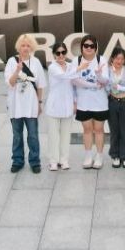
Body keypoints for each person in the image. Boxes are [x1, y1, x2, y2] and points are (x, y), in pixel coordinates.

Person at [6, 34, 45, 173]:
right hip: (15, 105)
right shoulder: (11, 61)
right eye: (23, 45)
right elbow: (10, 83)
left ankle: (35, 161)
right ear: (19, 47)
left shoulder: (36, 62)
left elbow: (40, 85)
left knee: (33, 135)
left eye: (28, 45)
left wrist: (39, 103)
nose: (25, 48)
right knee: (17, 135)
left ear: (32, 47)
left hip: (31, 104)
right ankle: (17, 161)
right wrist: (17, 70)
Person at [72, 34, 109, 169]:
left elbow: (105, 81)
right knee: (87, 129)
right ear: (82, 47)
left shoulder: (101, 60)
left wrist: (98, 74)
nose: (89, 48)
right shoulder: (76, 61)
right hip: (83, 103)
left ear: (96, 48)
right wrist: (93, 84)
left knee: (99, 130)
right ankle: (88, 156)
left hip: (100, 103)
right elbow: (74, 80)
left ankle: (99, 156)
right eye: (86, 45)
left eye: (92, 46)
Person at [44, 41, 77, 171]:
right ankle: (53, 160)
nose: (61, 55)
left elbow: (74, 85)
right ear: (54, 54)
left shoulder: (70, 66)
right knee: (53, 136)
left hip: (67, 106)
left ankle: (64, 160)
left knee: (65, 135)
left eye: (63, 52)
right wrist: (78, 69)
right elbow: (64, 76)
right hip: (53, 106)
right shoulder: (52, 67)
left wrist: (75, 102)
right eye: (58, 53)